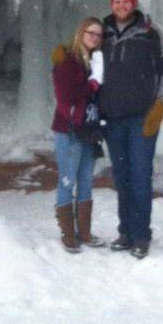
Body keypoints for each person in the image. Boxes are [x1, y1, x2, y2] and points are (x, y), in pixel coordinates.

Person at [99, 0, 163, 259]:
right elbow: (85, 61)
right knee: (121, 177)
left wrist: (160, 105)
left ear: (134, 4)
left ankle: (142, 235)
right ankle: (125, 232)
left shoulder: (150, 31)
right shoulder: (103, 31)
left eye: (126, 1)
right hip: (112, 118)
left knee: (141, 176)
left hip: (142, 118)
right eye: (117, 1)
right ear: (112, 4)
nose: (121, 5)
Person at [51, 16, 106, 253]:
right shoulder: (69, 61)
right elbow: (66, 97)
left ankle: (84, 231)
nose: (94, 37)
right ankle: (67, 233)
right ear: (80, 33)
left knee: (85, 180)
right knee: (67, 179)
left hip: (89, 131)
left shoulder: (94, 61)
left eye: (98, 34)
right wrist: (92, 85)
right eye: (90, 33)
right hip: (69, 130)